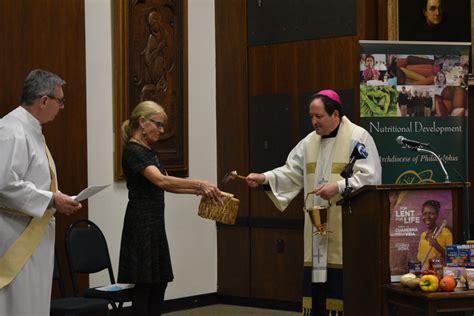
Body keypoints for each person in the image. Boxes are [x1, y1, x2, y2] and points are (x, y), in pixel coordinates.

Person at [245, 90, 382, 315]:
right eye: (311, 116)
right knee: (318, 286)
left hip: (347, 227)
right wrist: (265, 178)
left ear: (335, 114)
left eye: (318, 116)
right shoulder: (309, 142)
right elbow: (291, 172)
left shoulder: (359, 138)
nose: (313, 121)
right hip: (317, 226)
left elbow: (370, 177)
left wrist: (337, 187)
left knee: (345, 287)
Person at [118, 100, 222, 315]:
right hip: (141, 225)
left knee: (159, 282)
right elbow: (161, 182)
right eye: (158, 124)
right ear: (142, 122)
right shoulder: (133, 150)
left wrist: (200, 191)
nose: (162, 130)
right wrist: (199, 185)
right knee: (145, 285)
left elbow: (168, 182)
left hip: (154, 226)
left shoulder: (149, 151)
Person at [0, 69, 82, 315]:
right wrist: (51, 199)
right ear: (44, 100)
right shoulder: (12, 130)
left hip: (34, 232)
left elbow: (33, 179)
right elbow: (4, 183)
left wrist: (56, 198)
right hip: (16, 235)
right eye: (60, 101)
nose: (62, 107)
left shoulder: (31, 129)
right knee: (18, 304)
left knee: (33, 303)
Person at [416, 200, 452, 271]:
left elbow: (452, 256)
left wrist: (437, 245)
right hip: (424, 274)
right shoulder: (423, 235)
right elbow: (420, 258)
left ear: (437, 215)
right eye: (425, 214)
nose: (427, 217)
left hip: (439, 275)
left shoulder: (445, 232)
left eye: (431, 213)